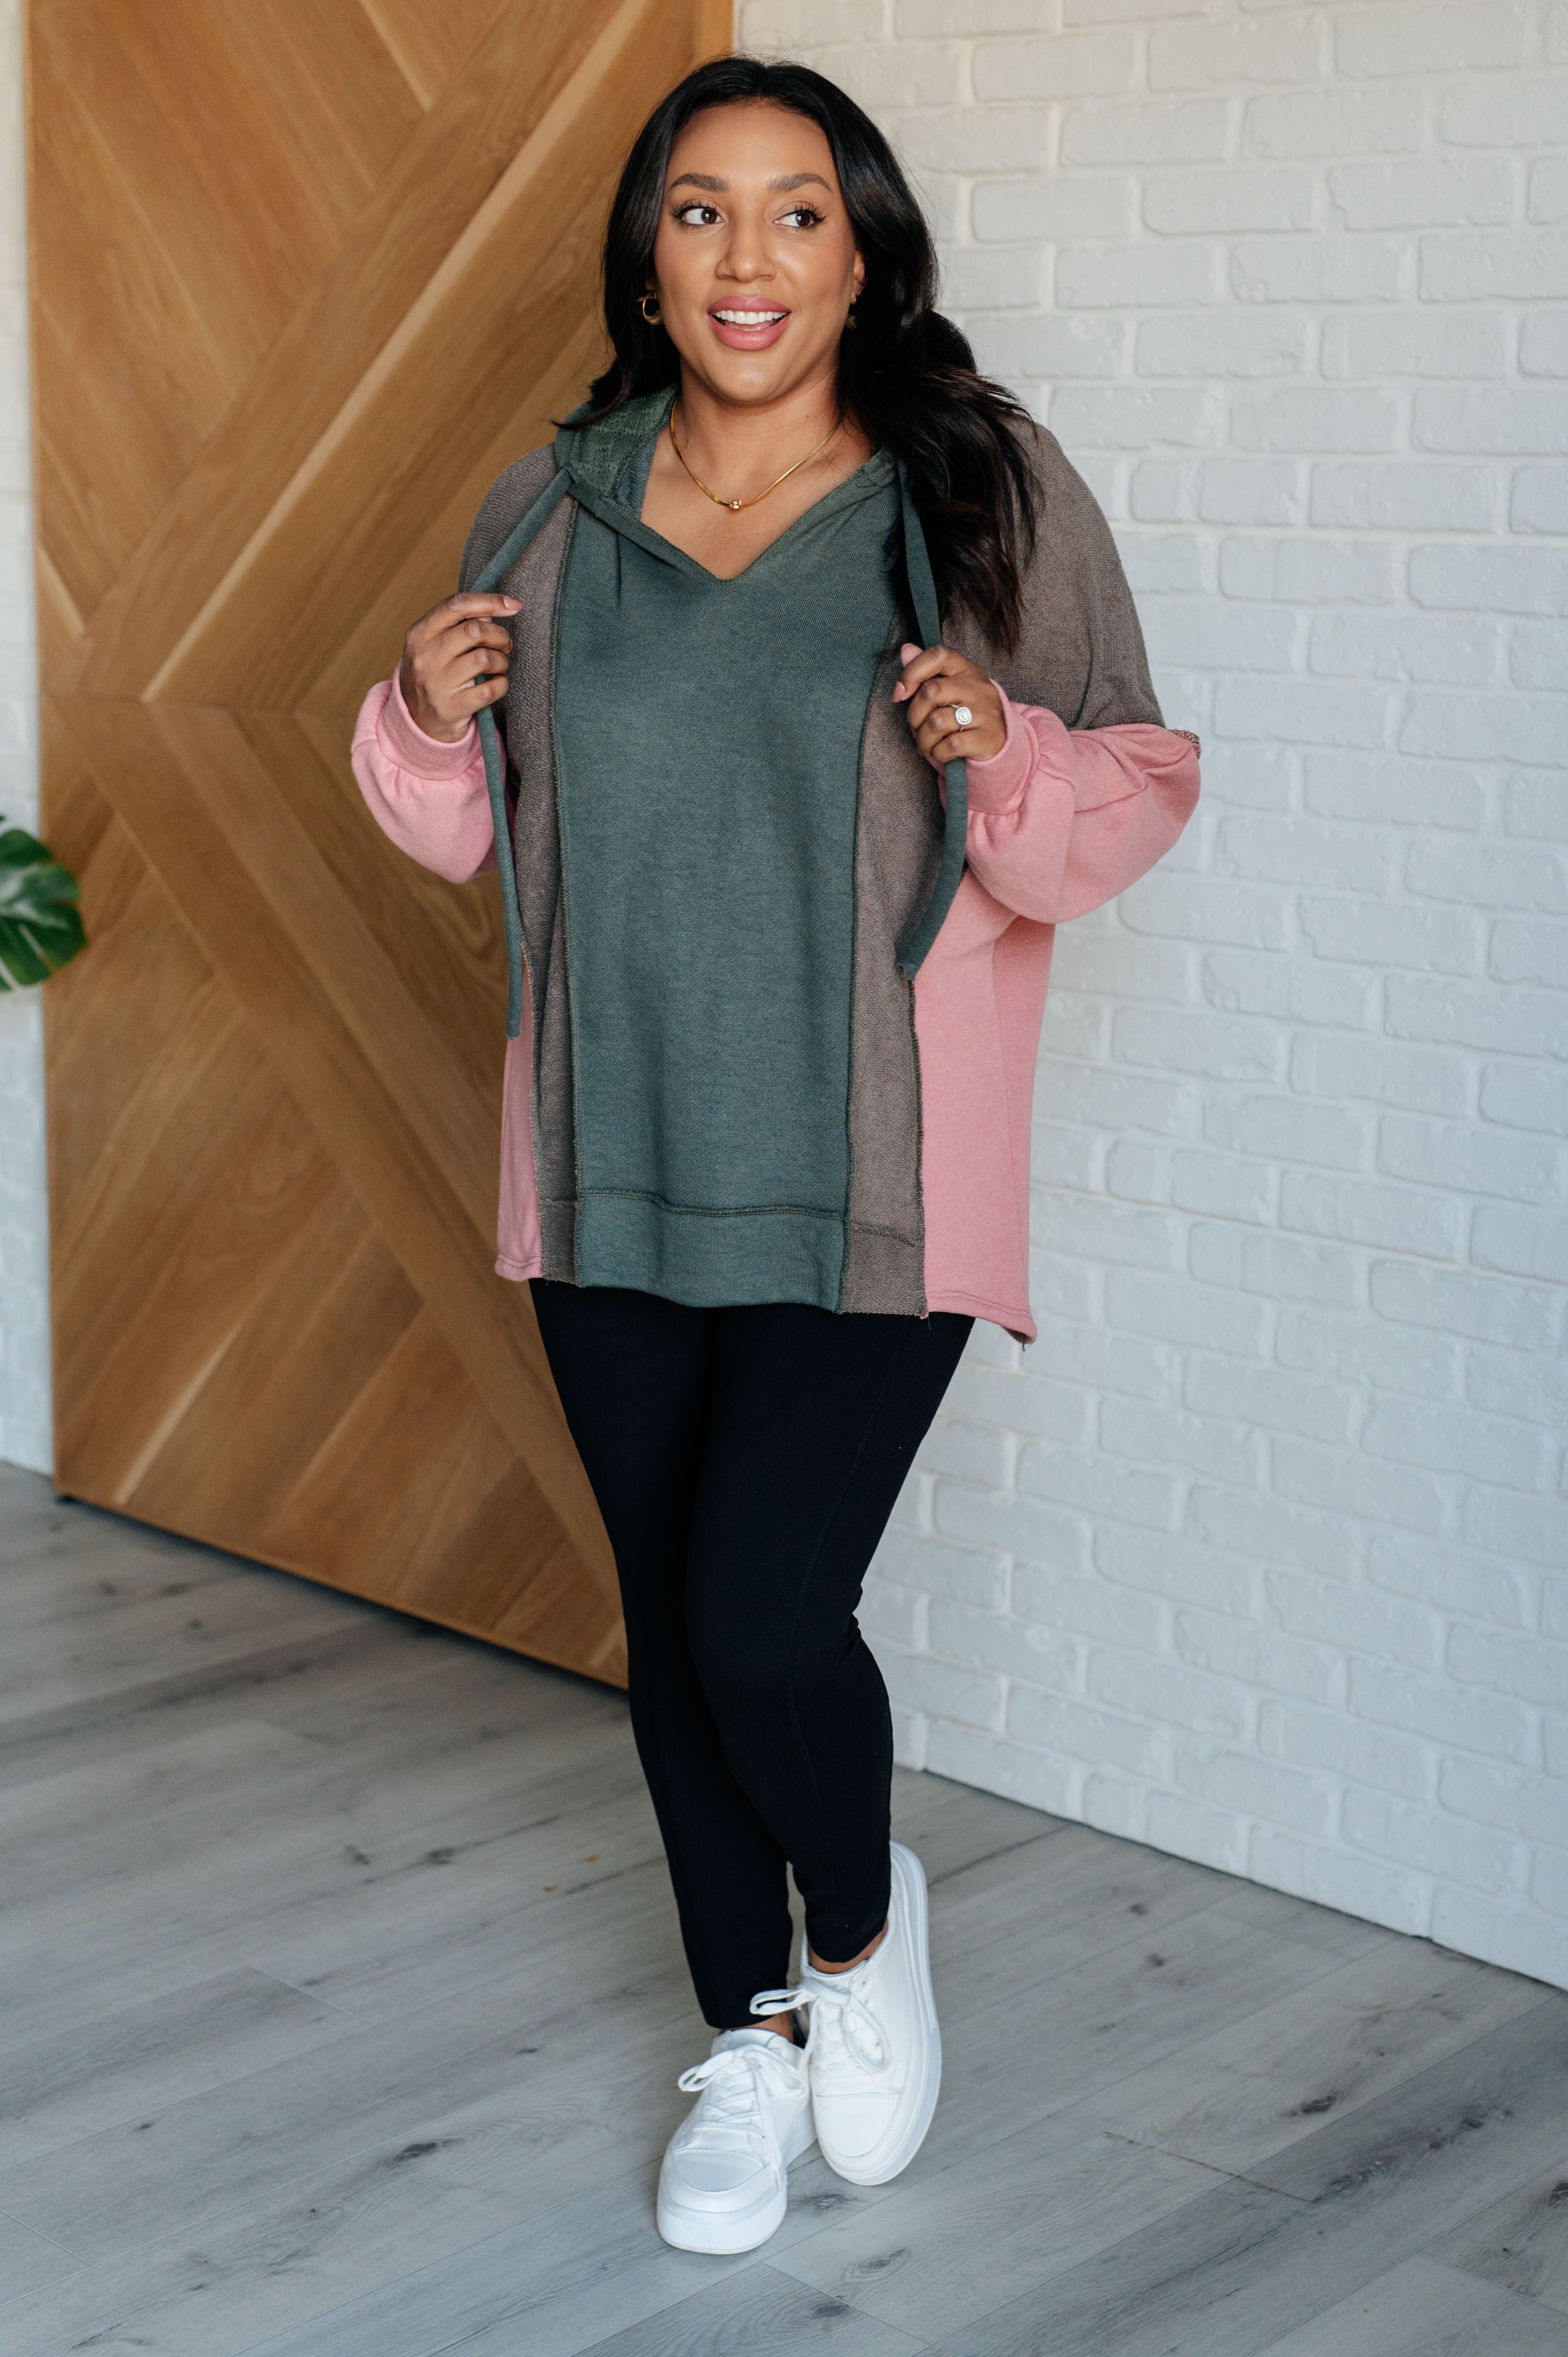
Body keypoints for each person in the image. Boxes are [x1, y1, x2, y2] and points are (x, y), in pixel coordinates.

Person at [353, 55, 1199, 2257]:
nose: (749, 255)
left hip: (874, 1180)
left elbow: (1134, 782)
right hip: (609, 1154)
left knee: (762, 1612)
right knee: (673, 1625)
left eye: (798, 211)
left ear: (862, 250)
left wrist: (1006, 747)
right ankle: (745, 2042)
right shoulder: (549, 507)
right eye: (702, 208)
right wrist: (422, 720)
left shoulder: (979, 488)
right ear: (649, 253)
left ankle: (857, 1931)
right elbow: (468, 832)